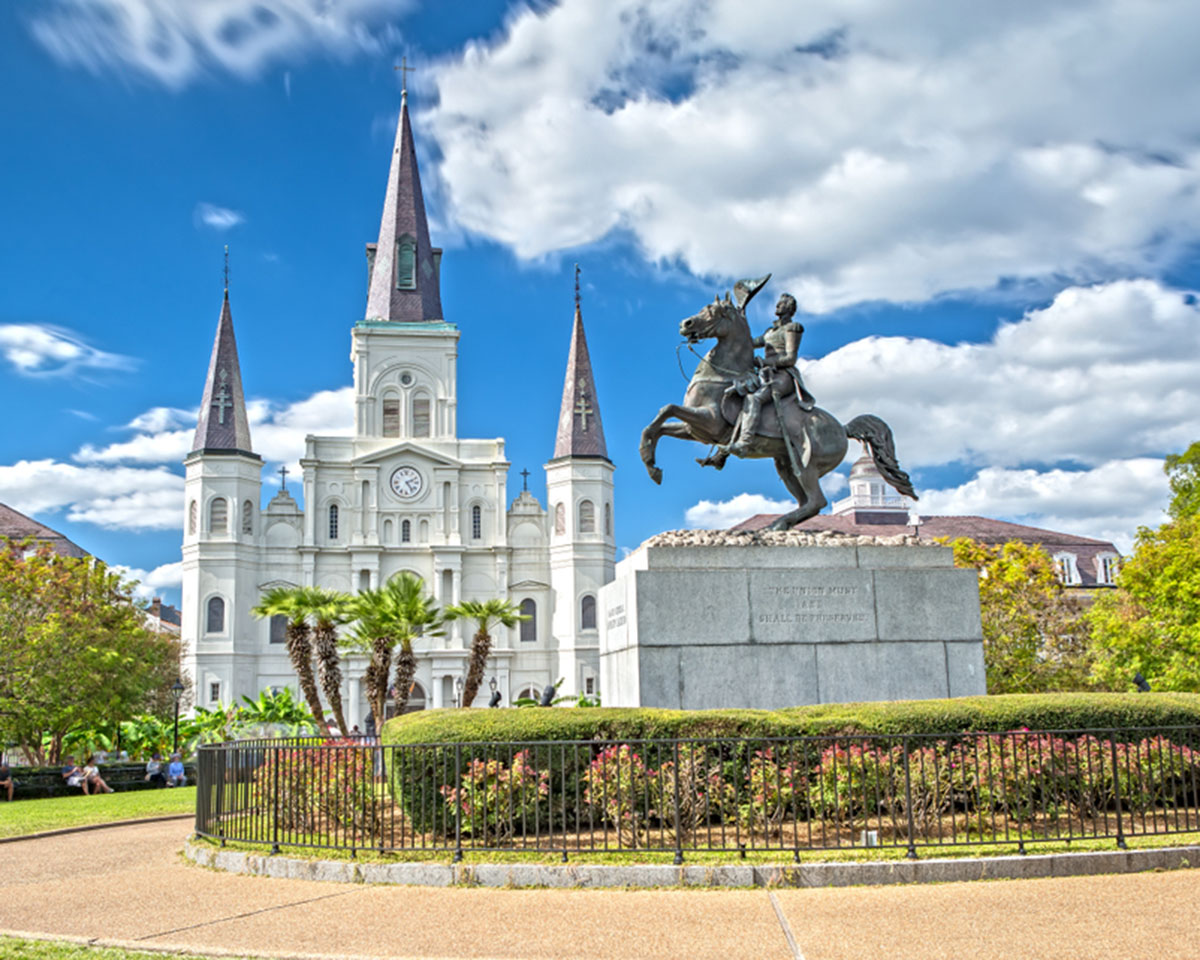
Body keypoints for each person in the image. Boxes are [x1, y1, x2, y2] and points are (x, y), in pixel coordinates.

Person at [722, 292, 814, 461]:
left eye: (782, 303)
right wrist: (741, 319)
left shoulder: (792, 328)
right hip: (767, 375)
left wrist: (765, 362)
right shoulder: (770, 331)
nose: (778, 305)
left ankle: (744, 442)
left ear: (790, 309)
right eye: (778, 303)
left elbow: (790, 358)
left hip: (783, 376)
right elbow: (748, 342)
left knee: (754, 399)